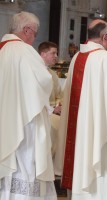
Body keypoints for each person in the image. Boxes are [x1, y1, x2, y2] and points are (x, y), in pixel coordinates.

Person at [54, 19, 107, 200]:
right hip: (99, 130)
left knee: (81, 160)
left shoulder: (76, 58)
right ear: (105, 37)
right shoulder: (106, 58)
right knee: (103, 167)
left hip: (81, 131)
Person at [0, 11, 57, 199]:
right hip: (24, 121)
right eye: (35, 32)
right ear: (26, 30)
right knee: (25, 165)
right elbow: (44, 80)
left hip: (4, 120)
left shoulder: (1, 49)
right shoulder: (24, 50)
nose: (35, 37)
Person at [38, 41, 63, 157]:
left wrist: (59, 105)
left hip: (54, 111)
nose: (56, 56)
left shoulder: (52, 73)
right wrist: (53, 110)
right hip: (41, 112)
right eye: (53, 53)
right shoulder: (34, 71)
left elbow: (59, 95)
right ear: (43, 54)